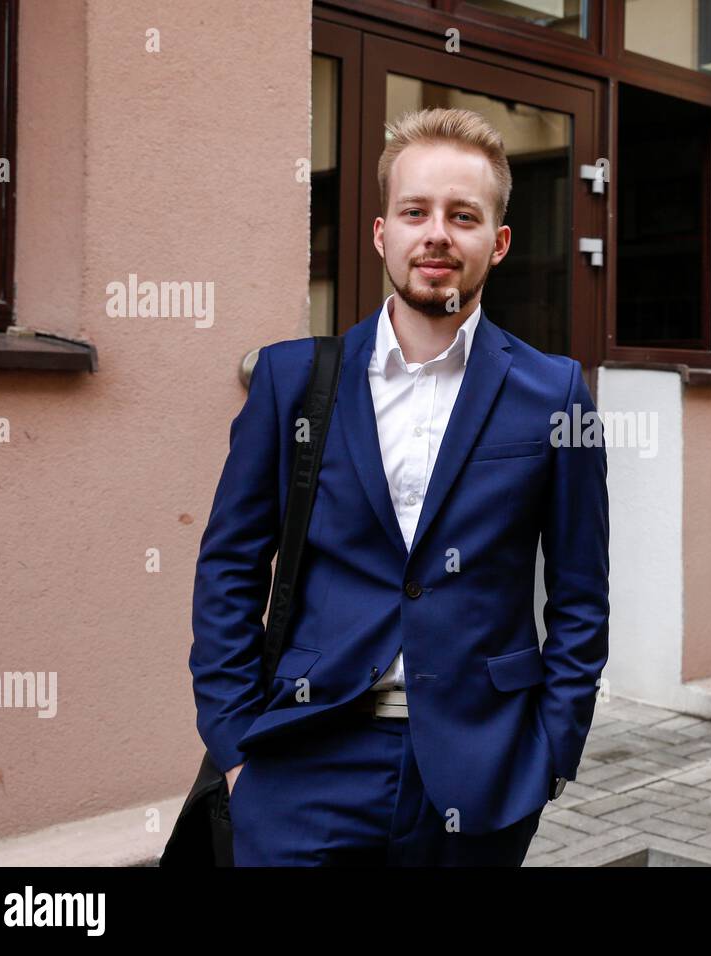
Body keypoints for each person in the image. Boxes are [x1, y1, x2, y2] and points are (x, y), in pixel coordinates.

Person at [188, 107, 610, 866]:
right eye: (415, 212)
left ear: (498, 241)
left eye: (463, 215)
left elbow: (582, 597)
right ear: (383, 232)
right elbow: (228, 569)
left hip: (481, 773)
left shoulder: (554, 395)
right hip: (302, 761)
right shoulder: (295, 381)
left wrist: (550, 754)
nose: (437, 234)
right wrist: (233, 745)